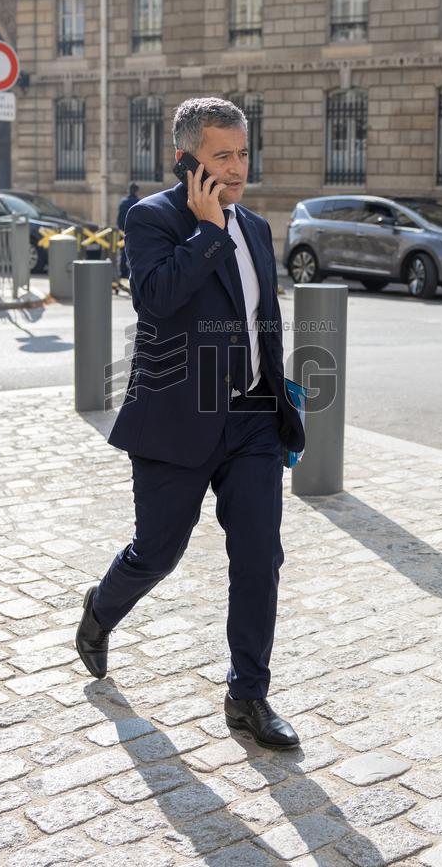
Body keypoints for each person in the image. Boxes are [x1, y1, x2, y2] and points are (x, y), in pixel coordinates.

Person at [76, 98, 305, 748]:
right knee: (159, 551)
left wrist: (281, 398)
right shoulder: (151, 218)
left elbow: (264, 322)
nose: (237, 168)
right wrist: (206, 231)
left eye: (243, 153)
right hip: (176, 419)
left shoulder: (256, 227)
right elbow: (154, 300)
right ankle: (100, 610)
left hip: (252, 421)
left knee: (259, 556)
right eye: (221, 156)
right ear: (186, 161)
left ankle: (248, 695)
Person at [116, 182, 140, 279]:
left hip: (123, 231)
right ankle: (132, 273)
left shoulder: (123, 202)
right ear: (137, 191)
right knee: (135, 253)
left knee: (123, 253)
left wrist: (120, 229)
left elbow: (119, 219)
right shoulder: (139, 202)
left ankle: (123, 273)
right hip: (135, 231)